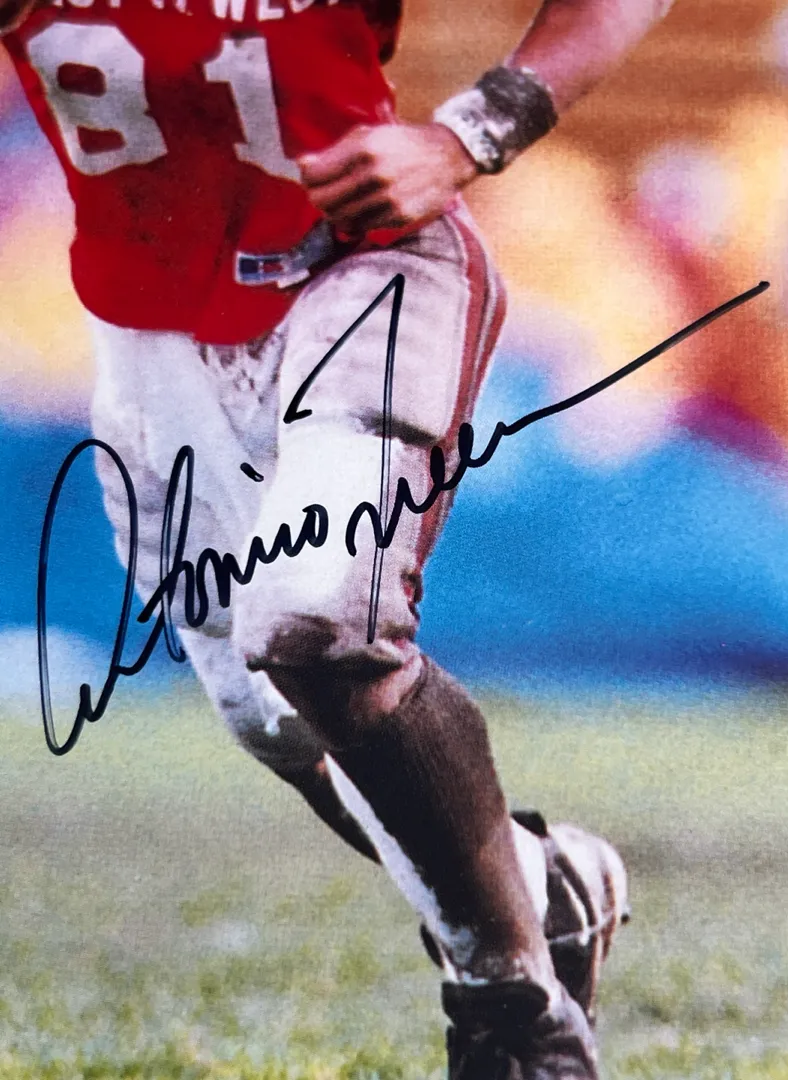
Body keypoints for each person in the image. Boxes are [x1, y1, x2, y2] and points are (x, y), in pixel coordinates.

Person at [1, 0, 671, 1074]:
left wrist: (466, 134)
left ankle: (513, 1015)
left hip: (360, 270)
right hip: (155, 330)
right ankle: (542, 888)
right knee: (275, 717)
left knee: (317, 622)